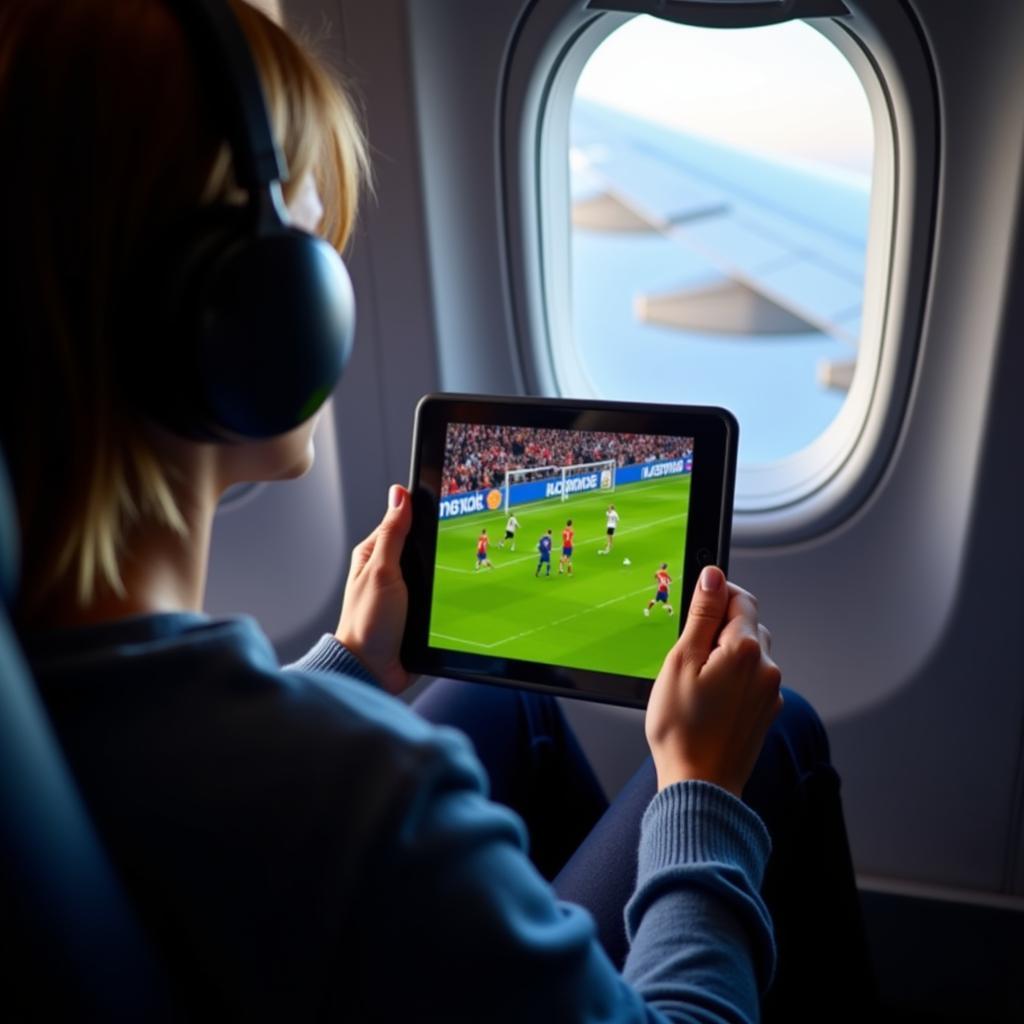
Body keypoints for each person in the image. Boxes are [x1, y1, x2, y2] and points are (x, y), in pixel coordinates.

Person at [0, 1, 873, 1020]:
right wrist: (697, 797)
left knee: (506, 696)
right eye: (312, 241)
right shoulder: (365, 795)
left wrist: (348, 670)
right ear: (258, 312)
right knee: (777, 735)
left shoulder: (38, 688)